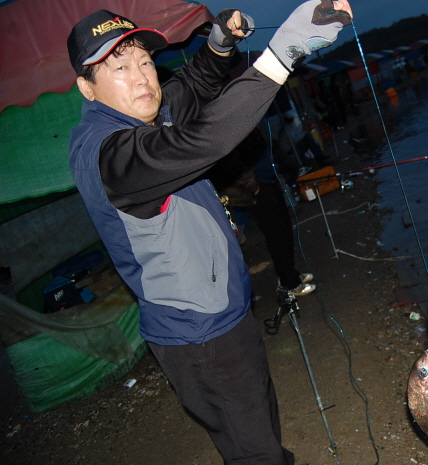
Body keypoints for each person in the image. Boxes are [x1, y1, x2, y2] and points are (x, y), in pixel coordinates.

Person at [66, 2, 352, 464]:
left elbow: (189, 88)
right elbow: (205, 139)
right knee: (254, 451)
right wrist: (283, 52)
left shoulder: (137, 115)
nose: (142, 78)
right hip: (199, 333)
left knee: (259, 424)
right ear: (86, 86)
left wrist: (220, 45)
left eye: (145, 62)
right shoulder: (111, 156)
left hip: (220, 311)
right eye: (119, 68)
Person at [209, 129, 316, 297]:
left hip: (267, 177)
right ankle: (290, 282)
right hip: (257, 184)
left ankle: (290, 274)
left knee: (284, 229)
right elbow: (229, 160)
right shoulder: (227, 126)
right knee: (276, 233)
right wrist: (253, 185)